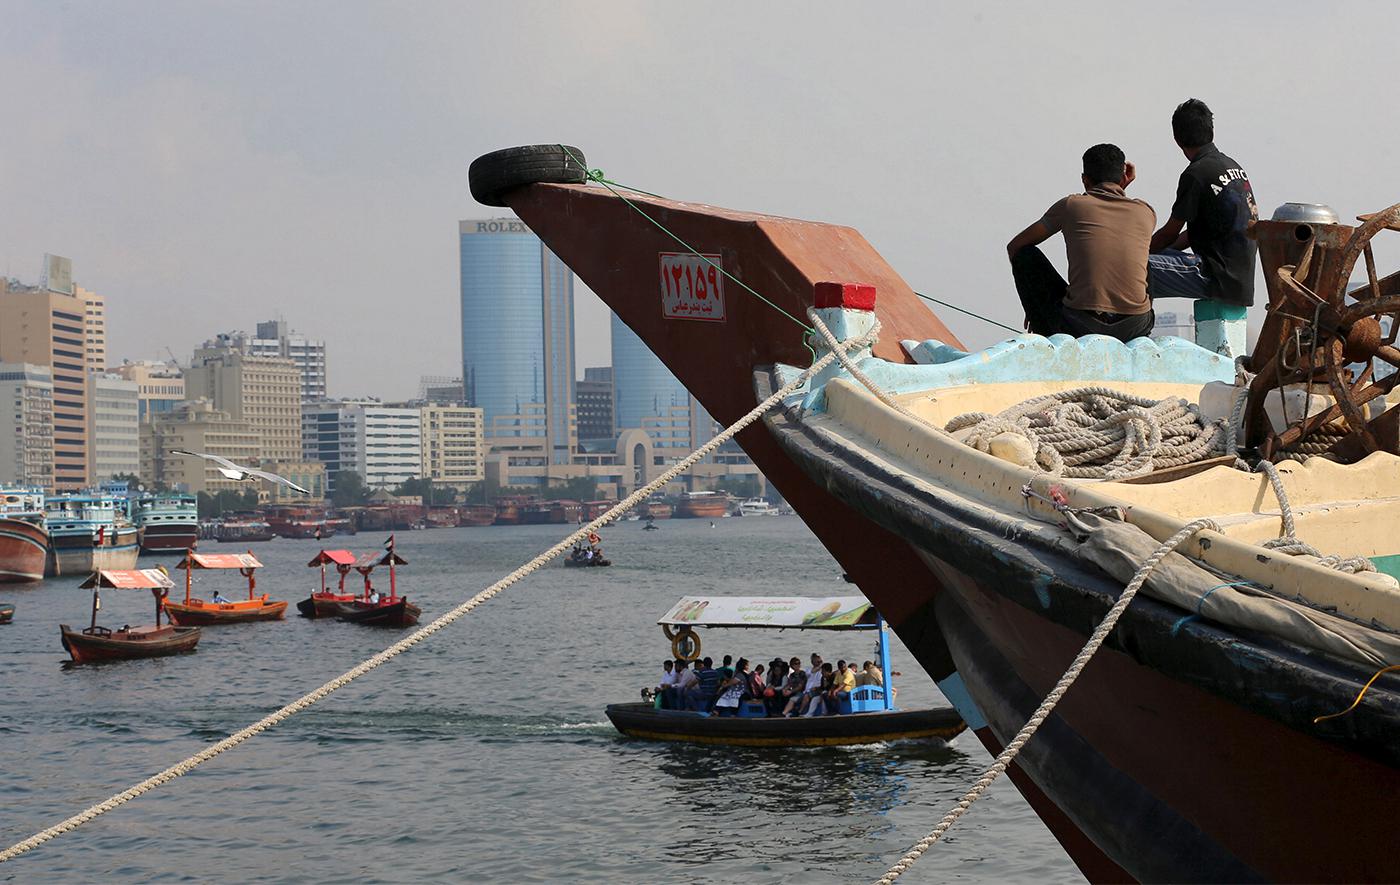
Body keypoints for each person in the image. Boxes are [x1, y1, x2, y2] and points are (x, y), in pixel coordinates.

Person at [1007, 144, 1156, 342]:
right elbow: (1115, 221)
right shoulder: (1145, 212)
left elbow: (1016, 246)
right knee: (1145, 258)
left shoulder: (1070, 206)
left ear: (1085, 180)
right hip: (1135, 326)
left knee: (1025, 255)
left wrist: (1034, 304)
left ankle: (1045, 335)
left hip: (1081, 324)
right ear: (1123, 178)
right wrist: (1120, 187)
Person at [1148, 98, 1258, 309]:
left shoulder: (1196, 174)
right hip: (1239, 282)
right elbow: (1192, 235)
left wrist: (1135, 251)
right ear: (1211, 130)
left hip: (1215, 277)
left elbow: (1169, 234)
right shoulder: (1231, 165)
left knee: (1129, 268)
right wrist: (1160, 252)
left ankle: (1136, 333)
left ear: (1176, 138)